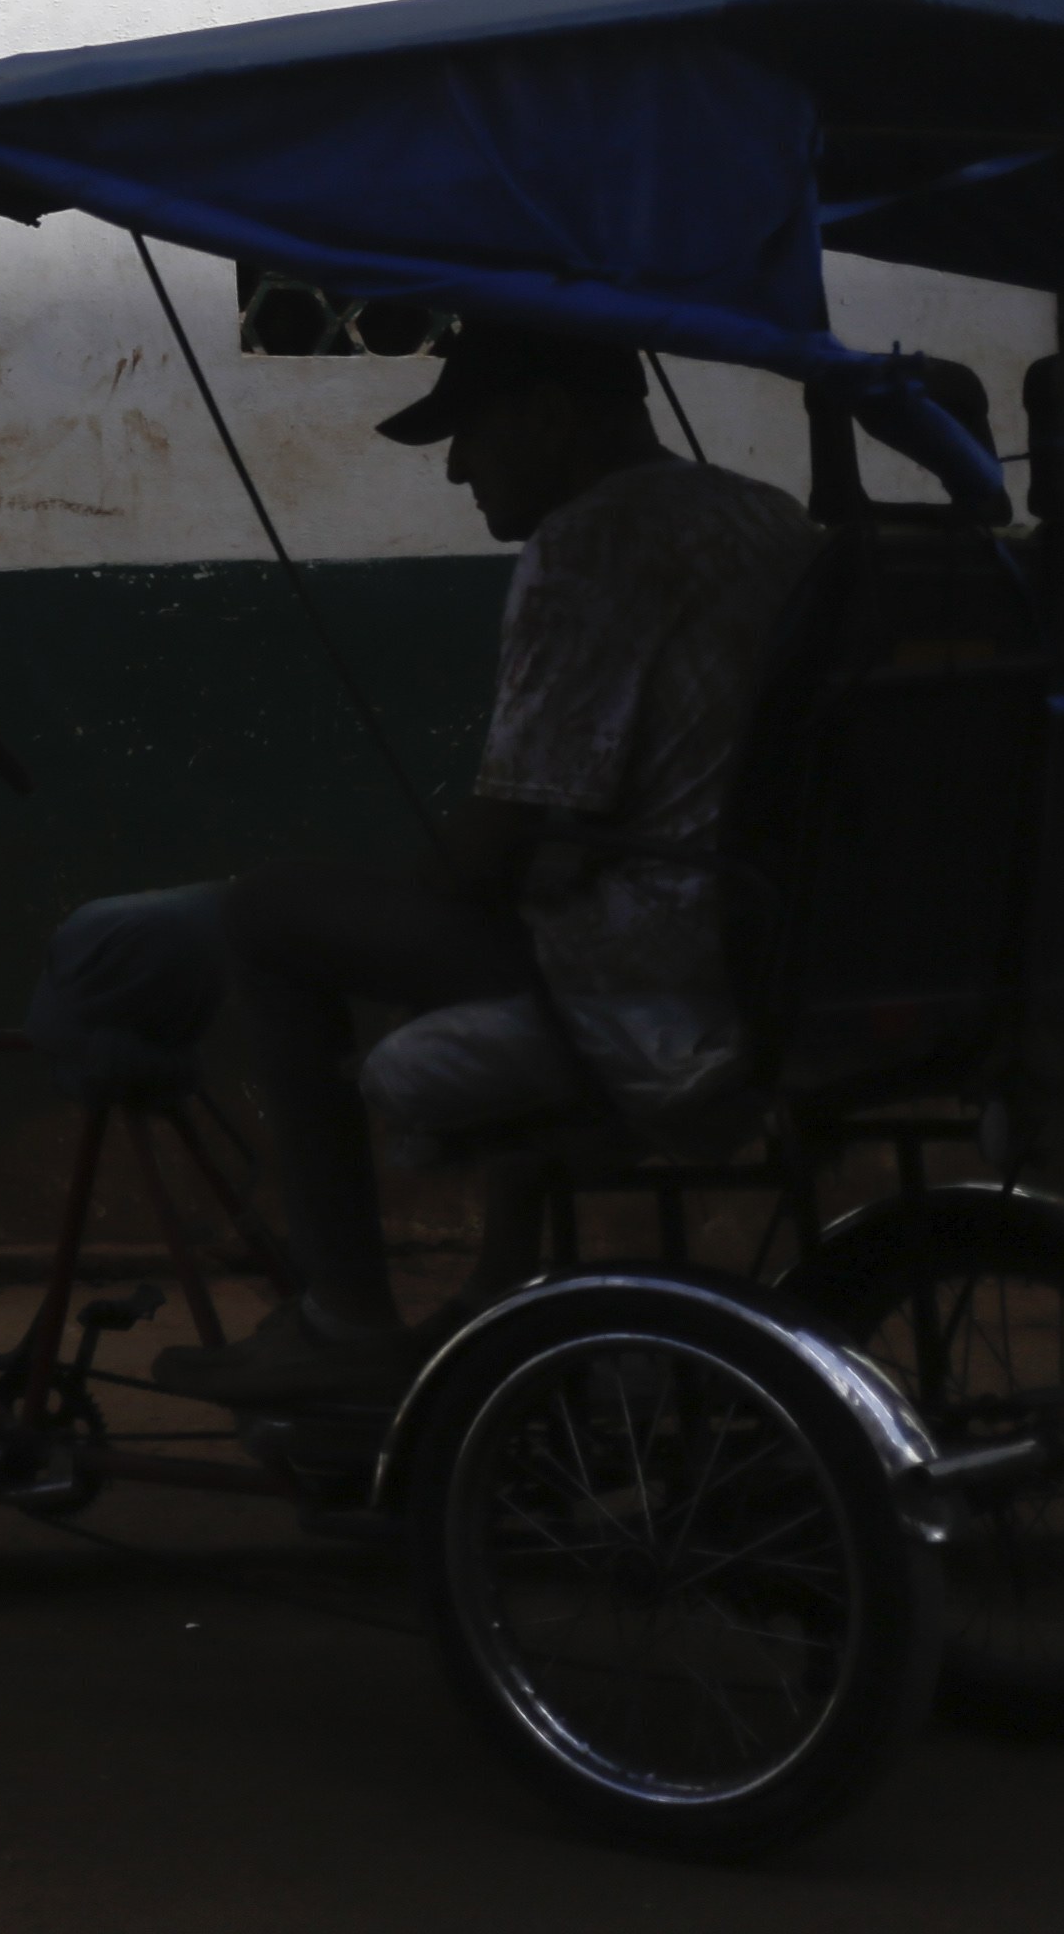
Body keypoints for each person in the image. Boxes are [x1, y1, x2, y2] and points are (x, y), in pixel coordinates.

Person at [147, 322, 814, 1407]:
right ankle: (494, 1292)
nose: (458, 467)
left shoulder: (589, 541)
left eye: (472, 435)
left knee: (272, 914)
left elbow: (508, 829)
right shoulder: (765, 512)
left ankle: (340, 1317)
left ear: (552, 418)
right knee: (485, 918)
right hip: (756, 929)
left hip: (644, 948)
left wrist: (423, 891)